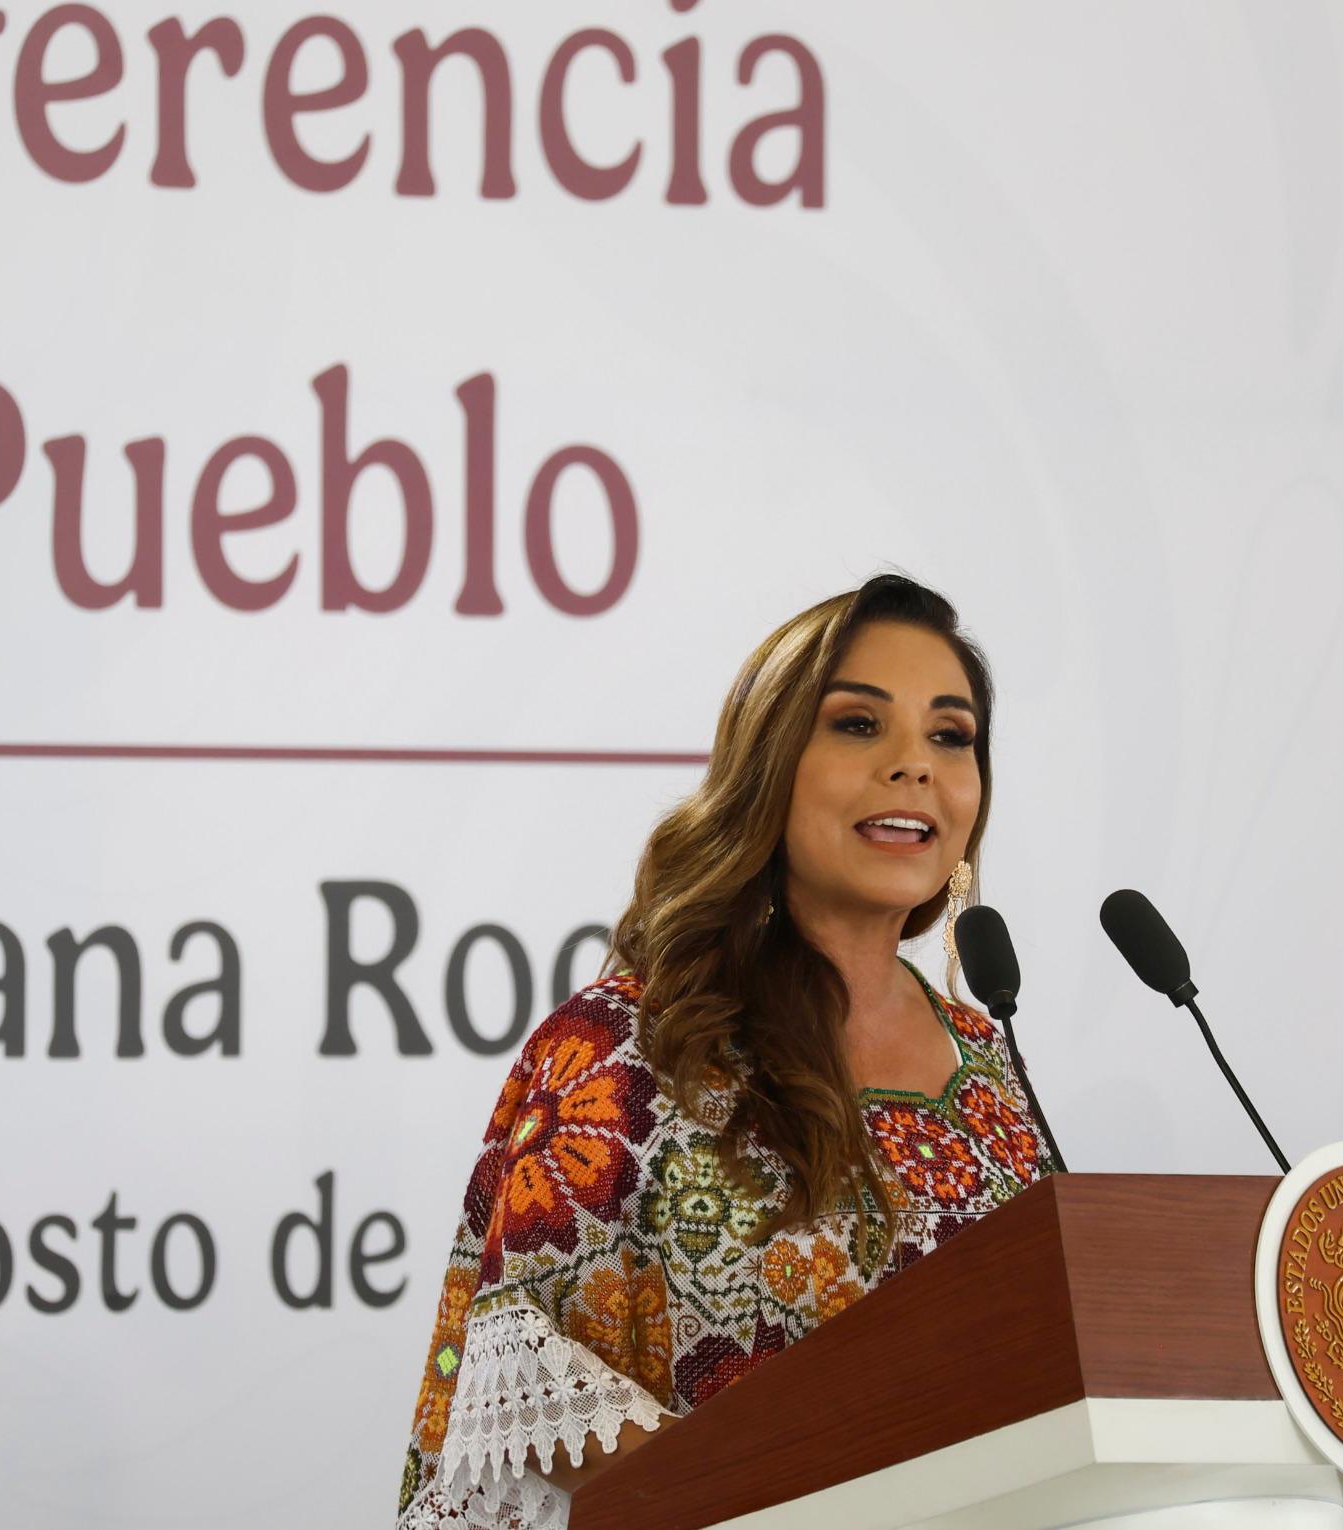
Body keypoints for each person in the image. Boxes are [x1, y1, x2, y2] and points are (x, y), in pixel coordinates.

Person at [393, 574, 1055, 1529]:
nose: (915, 764)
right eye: (859, 724)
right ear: (770, 767)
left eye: (951, 736)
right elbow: (521, 1382)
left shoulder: (991, 1062)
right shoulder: (630, 1044)